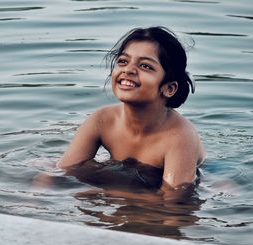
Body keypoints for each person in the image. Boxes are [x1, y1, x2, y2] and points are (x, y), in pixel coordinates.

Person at [56, 26, 206, 195]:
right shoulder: (103, 119)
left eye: (145, 66)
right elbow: (64, 171)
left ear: (169, 88)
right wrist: (33, 200)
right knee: (44, 168)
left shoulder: (180, 137)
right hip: (132, 176)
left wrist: (109, 196)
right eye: (122, 61)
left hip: (196, 176)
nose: (128, 70)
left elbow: (173, 201)